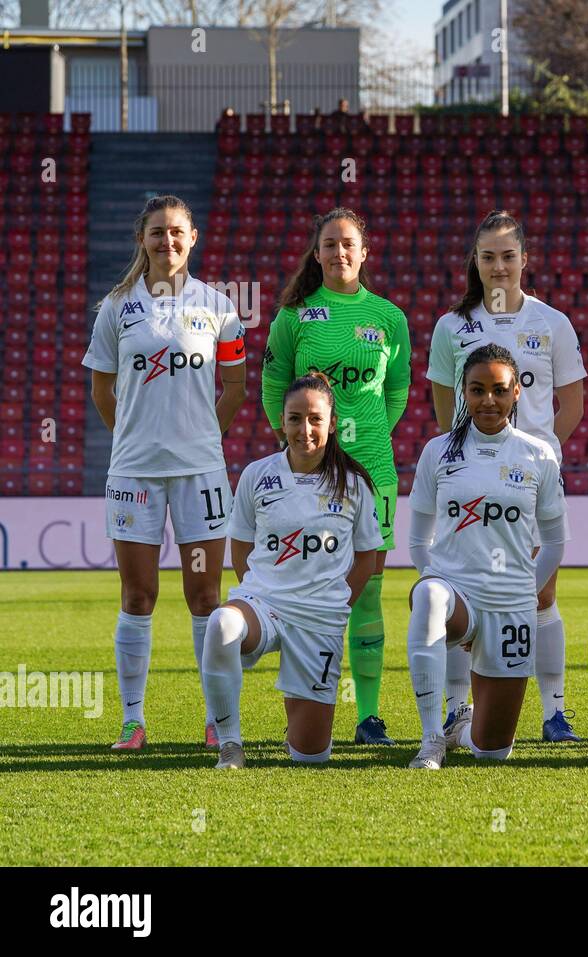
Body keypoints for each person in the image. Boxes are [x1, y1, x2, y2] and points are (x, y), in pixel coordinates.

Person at [83, 194, 246, 751]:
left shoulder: (220, 307)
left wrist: (204, 436)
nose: (167, 242)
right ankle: (133, 721)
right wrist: (131, 434)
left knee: (205, 595)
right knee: (139, 595)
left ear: (192, 238)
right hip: (134, 476)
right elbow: (102, 388)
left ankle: (215, 718)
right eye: (157, 233)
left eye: (177, 232)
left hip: (200, 476)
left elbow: (237, 385)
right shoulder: (117, 306)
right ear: (143, 240)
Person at [427, 211, 585, 743]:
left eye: (508, 256)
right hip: (468, 478)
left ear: (524, 259)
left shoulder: (552, 322)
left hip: (530, 479)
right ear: (476, 262)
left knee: (540, 595)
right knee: (455, 590)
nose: (498, 267)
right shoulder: (452, 326)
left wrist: (540, 452)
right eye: (488, 257)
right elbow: (444, 403)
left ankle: (554, 711)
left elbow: (575, 402)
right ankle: (456, 710)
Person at [261, 208, 411, 746]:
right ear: (317, 253)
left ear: (364, 252)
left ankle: (368, 716)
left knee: (367, 593)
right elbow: (274, 380)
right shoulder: (296, 316)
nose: (339, 253)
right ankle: (304, 704)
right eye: (330, 244)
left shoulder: (389, 318)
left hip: (372, 471)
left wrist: (365, 438)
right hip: (309, 473)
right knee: (308, 590)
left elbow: (396, 390)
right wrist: (302, 445)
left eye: (349, 244)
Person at [200, 373, 382, 769]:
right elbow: (242, 545)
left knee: (310, 756)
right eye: (295, 418)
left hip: (320, 617)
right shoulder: (256, 475)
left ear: (332, 423)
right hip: (264, 604)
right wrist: (259, 588)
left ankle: (298, 728)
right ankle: (230, 744)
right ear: (281, 421)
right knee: (221, 625)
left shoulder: (354, 484)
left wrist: (335, 602)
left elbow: (367, 557)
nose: (305, 429)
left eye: (315, 419)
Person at [405, 345, 566, 769]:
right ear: (464, 393)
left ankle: (466, 726)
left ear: (517, 393)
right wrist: (432, 578)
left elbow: (554, 542)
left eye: (499, 390)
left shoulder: (538, 455)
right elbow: (419, 541)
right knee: (428, 598)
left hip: (510, 605)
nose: (488, 400)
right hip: (454, 592)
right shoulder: (437, 452)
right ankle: (431, 739)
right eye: (477, 390)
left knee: (492, 751)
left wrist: (526, 593)